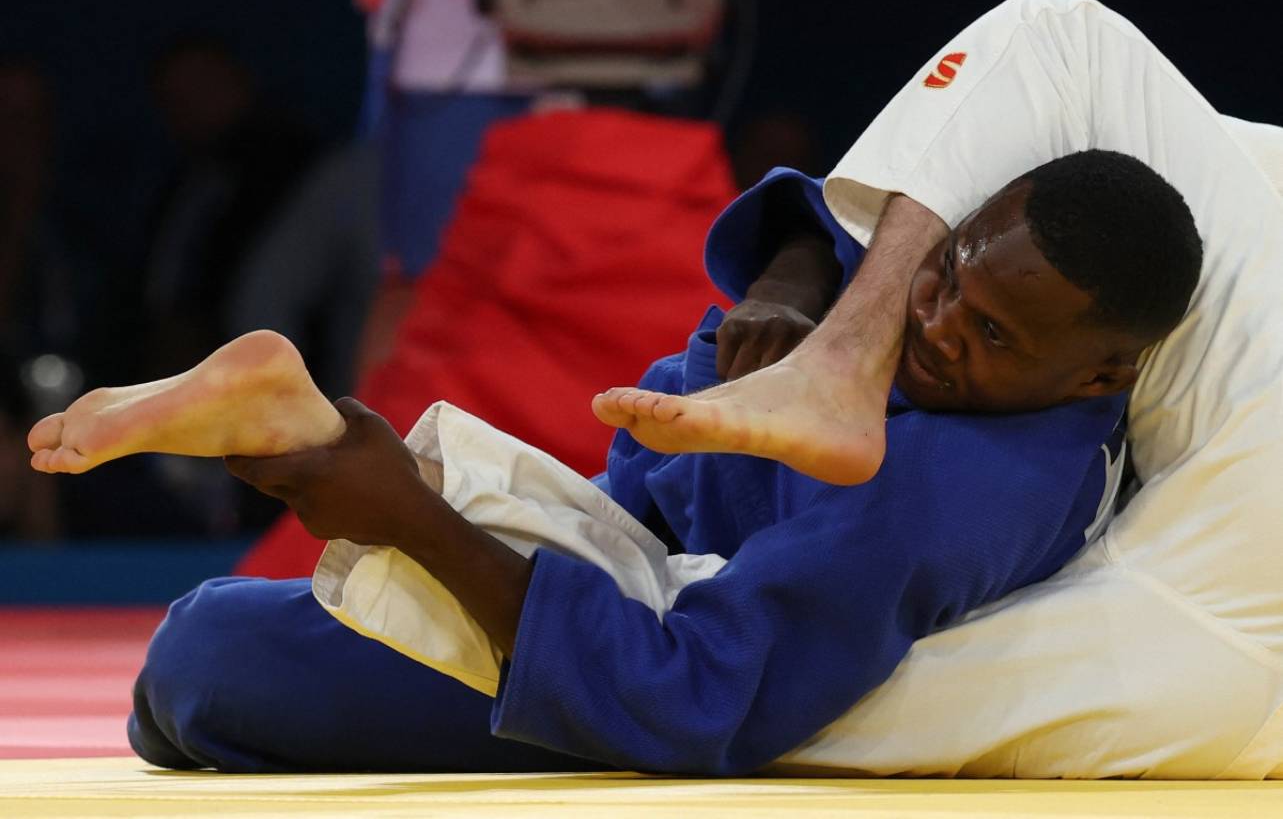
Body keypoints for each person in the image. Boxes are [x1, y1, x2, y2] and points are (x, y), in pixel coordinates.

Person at [29, 132, 1200, 773]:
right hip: (651, 504)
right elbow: (832, 228)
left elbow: (692, 695)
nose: (934, 328)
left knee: (202, 659)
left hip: (669, 621)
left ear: (1100, 376)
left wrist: (409, 524)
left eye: (988, 335)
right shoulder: (968, 313)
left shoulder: (948, 498)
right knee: (209, 655)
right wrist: (800, 303)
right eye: (943, 279)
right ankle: (320, 438)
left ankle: (323, 440)